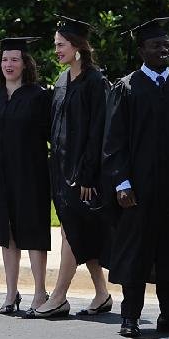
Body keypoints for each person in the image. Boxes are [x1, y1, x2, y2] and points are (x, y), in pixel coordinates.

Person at [103, 17, 169, 337]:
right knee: (136, 257)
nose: (164, 48)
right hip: (137, 189)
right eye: (156, 44)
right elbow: (113, 141)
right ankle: (130, 317)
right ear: (142, 50)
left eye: (167, 43)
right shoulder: (127, 88)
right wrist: (122, 182)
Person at [32, 17, 112, 319]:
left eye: (61, 45)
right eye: (55, 45)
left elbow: (98, 131)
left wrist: (89, 173)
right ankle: (102, 294)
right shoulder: (63, 81)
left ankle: (58, 296)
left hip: (84, 174)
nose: (56, 50)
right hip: (61, 170)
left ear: (77, 46)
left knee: (71, 233)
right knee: (77, 233)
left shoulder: (95, 82)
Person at [0, 36, 51, 316]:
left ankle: (40, 292)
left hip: (30, 175)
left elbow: (49, 136)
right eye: (5, 59)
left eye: (15, 59)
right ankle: (11, 293)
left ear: (25, 64)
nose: (9, 64)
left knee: (32, 232)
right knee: (6, 233)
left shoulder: (38, 96)